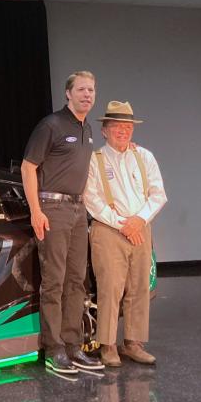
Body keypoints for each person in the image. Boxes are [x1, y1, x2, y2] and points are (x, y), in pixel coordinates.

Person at [21, 71, 104, 376]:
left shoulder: (88, 128)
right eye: (81, 89)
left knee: (76, 280)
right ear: (68, 93)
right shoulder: (51, 125)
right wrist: (36, 210)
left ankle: (73, 346)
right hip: (52, 207)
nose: (87, 95)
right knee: (53, 281)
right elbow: (28, 167)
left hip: (77, 209)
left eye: (91, 90)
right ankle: (53, 349)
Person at [83, 101, 167, 366]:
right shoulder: (95, 159)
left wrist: (139, 220)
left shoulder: (145, 157)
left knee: (139, 287)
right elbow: (91, 199)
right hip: (108, 229)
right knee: (110, 288)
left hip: (140, 229)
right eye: (117, 126)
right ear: (105, 130)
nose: (123, 131)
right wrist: (123, 224)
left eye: (127, 126)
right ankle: (107, 345)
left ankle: (133, 343)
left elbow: (158, 194)